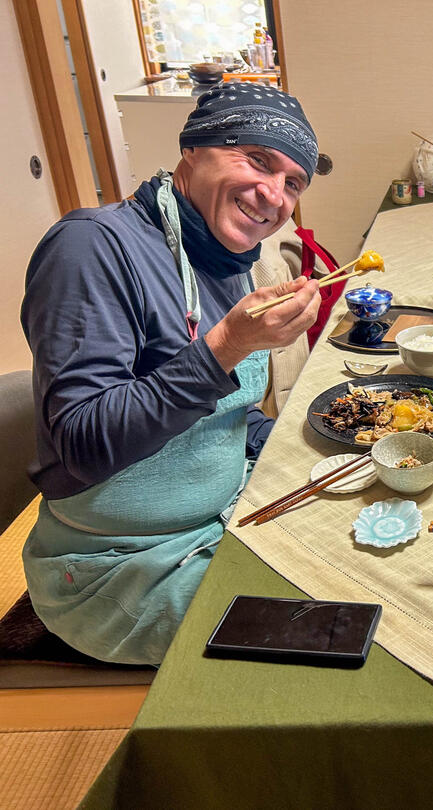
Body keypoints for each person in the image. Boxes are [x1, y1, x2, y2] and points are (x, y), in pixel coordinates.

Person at [20, 84, 324, 666]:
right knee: (333, 632)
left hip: (223, 511)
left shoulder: (224, 256)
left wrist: (306, 444)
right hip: (120, 566)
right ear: (193, 149)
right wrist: (227, 346)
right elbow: (83, 443)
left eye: (293, 183)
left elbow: (220, 420)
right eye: (258, 159)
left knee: (369, 542)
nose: (274, 195)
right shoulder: (92, 246)